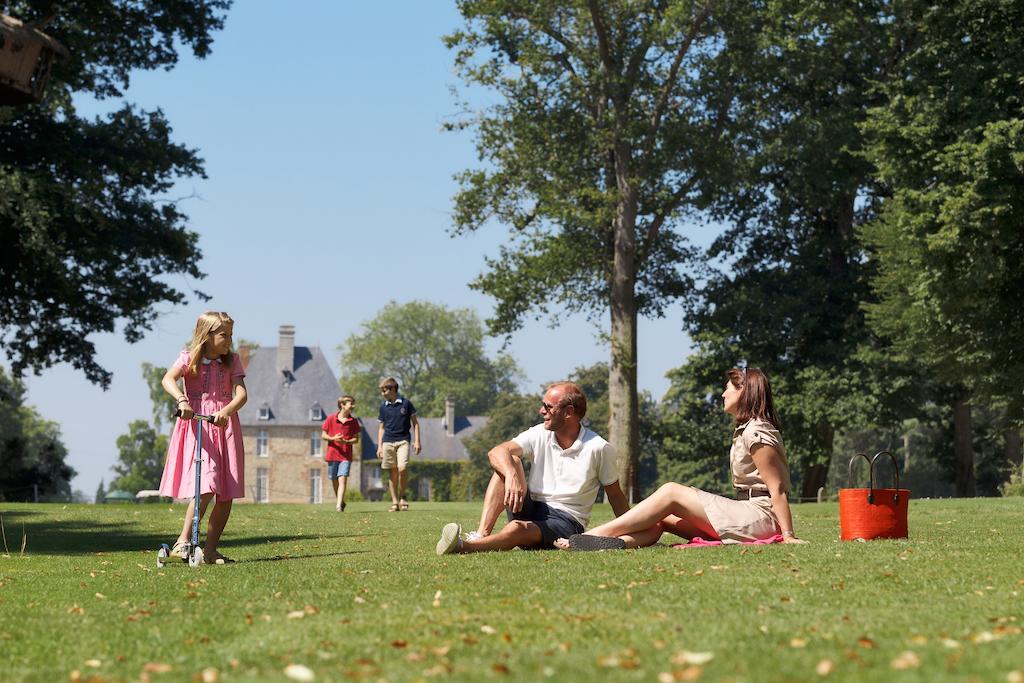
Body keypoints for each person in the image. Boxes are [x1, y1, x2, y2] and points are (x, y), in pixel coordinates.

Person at [556, 367, 806, 551]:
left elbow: (778, 489)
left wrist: (788, 534)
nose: (722, 394)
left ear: (745, 391)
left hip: (759, 517)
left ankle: (590, 535)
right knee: (662, 517)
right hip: (747, 514)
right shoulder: (747, 429)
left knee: (671, 492)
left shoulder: (757, 431)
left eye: (728, 389)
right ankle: (609, 544)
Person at [436, 381, 630, 554]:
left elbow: (615, 495)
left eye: (548, 406)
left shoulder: (599, 447)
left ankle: (464, 547)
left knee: (517, 528)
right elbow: (496, 452)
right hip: (532, 507)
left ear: (569, 412)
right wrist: (511, 474)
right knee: (507, 461)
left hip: (566, 522)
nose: (541, 411)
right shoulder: (539, 433)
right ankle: (481, 534)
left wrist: (636, 531)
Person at [158, 311, 248, 564]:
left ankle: (210, 550)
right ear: (207, 335)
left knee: (226, 493)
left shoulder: (232, 361)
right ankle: (182, 541)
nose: (229, 340)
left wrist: (227, 410)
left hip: (225, 426)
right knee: (206, 484)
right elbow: (168, 379)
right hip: (198, 426)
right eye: (223, 335)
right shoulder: (188, 358)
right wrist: (182, 400)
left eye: (231, 334)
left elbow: (241, 394)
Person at [376, 378, 420, 511]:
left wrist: (417, 441)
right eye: (382, 391)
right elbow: (381, 428)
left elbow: (415, 423)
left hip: (403, 440)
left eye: (385, 390)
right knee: (393, 472)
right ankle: (395, 502)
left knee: (402, 468)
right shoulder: (383, 407)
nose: (383, 393)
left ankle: (403, 495)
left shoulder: (406, 404)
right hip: (387, 441)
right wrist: (379, 446)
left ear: (393, 389)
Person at [322, 395, 361, 511]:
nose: (353, 406)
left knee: (342, 478)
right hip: (332, 455)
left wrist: (346, 441)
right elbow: (323, 435)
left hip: (345, 456)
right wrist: (333, 438)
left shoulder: (353, 422)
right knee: (334, 479)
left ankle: (338, 506)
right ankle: (341, 501)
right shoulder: (330, 419)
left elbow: (356, 439)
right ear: (342, 405)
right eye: (351, 404)